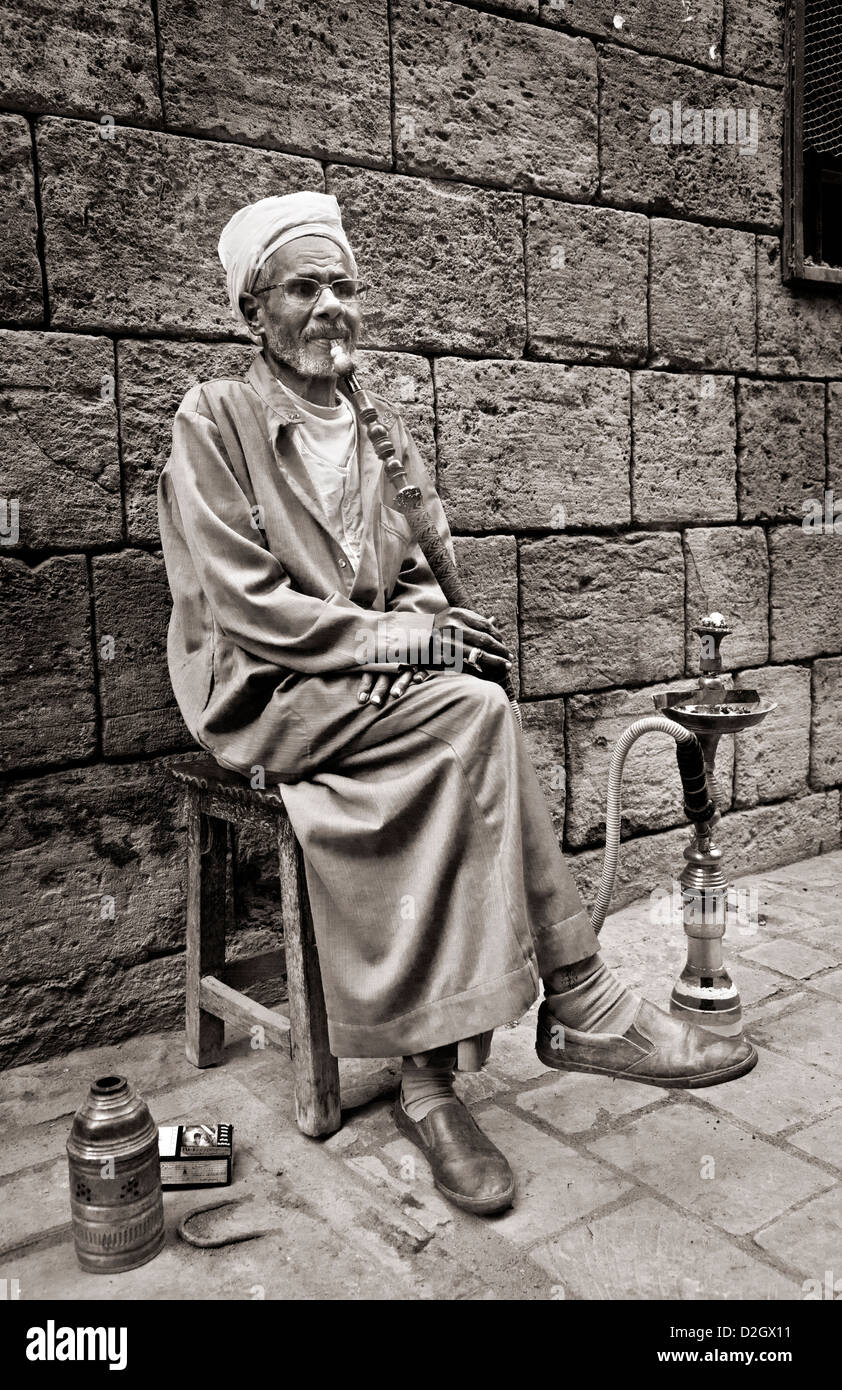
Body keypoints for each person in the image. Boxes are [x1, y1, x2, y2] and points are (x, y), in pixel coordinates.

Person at [157, 191, 757, 1217]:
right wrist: (402, 642)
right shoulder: (212, 421)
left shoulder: (374, 425)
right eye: (303, 287)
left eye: (344, 286)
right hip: (265, 687)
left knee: (466, 701)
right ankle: (562, 1003)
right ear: (252, 311)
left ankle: (446, 1075)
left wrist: (436, 629)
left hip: (367, 683)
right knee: (471, 717)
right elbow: (242, 603)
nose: (330, 307)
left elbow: (411, 586)